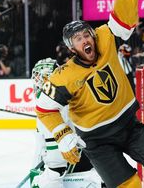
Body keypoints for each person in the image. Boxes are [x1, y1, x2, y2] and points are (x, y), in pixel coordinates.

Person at [35, 0, 144, 188]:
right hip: (97, 142)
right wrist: (63, 134)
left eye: (86, 34)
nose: (85, 40)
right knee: (131, 185)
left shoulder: (105, 39)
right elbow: (44, 109)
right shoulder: (64, 76)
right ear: (71, 48)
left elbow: (123, 23)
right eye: (78, 39)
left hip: (129, 125)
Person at [31, 58, 102, 188]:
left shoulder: (53, 108)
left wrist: (40, 179)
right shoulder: (61, 101)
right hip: (89, 157)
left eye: (39, 79)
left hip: (74, 161)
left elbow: (57, 167)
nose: (37, 84)